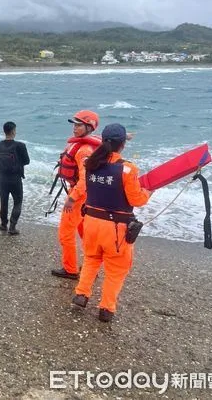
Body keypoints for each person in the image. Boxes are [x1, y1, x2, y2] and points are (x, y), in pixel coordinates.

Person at [65, 123, 152, 322]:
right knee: (116, 269)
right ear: (122, 145)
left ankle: (81, 295)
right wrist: (149, 191)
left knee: (91, 259)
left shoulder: (90, 164)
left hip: (91, 223)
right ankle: (106, 309)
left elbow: (85, 187)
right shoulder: (128, 169)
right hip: (115, 229)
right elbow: (137, 200)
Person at [51, 110, 101, 280]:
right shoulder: (84, 146)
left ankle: (71, 269)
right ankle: (89, 266)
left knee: (65, 233)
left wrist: (72, 199)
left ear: (89, 127)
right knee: (83, 232)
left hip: (79, 195)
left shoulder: (84, 150)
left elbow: (85, 180)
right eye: (74, 124)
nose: (74, 127)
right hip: (86, 195)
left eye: (79, 125)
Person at [0, 121, 30, 235]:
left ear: (4, 131)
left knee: (4, 202)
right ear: (13, 131)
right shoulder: (20, 145)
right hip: (15, 179)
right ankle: (12, 227)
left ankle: (3, 224)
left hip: (2, 178)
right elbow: (27, 161)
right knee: (17, 202)